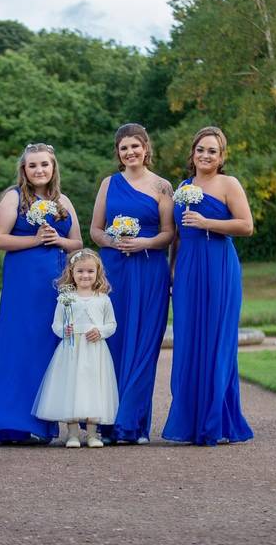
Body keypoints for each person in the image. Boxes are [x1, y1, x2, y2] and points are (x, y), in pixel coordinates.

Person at [0, 143, 83, 443]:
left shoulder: (63, 200)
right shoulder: (13, 197)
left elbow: (78, 243)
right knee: (19, 344)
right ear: (24, 169)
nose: (39, 170)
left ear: (53, 167)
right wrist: (35, 240)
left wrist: (58, 239)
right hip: (24, 281)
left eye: (44, 165)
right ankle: (10, 420)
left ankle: (43, 424)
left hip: (57, 282)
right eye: (33, 166)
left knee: (49, 346)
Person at [162, 126, 255, 446]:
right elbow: (175, 234)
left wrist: (207, 223)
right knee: (189, 339)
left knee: (217, 339)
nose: (205, 155)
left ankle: (218, 420)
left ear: (221, 156)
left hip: (218, 267)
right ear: (193, 153)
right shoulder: (183, 187)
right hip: (187, 269)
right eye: (200, 149)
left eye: (212, 151)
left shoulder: (229, 184)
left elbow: (246, 225)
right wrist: (172, 271)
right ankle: (190, 421)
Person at [90, 123, 174, 444]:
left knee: (144, 344)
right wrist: (114, 241)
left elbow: (169, 233)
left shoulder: (163, 187)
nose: (130, 152)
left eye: (135, 146)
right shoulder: (108, 184)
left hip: (150, 269)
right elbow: (96, 230)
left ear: (146, 148)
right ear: (118, 152)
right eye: (124, 148)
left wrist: (143, 243)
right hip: (115, 271)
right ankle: (110, 422)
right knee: (114, 341)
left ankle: (133, 424)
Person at [33, 249, 118, 448]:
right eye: (80, 271)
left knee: (93, 388)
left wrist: (101, 331)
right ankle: (72, 434)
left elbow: (112, 324)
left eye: (90, 271)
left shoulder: (103, 298)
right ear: (72, 272)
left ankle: (92, 434)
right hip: (71, 351)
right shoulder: (66, 298)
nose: (85, 275)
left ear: (98, 273)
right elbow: (56, 324)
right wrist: (65, 330)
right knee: (71, 387)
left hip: (95, 350)